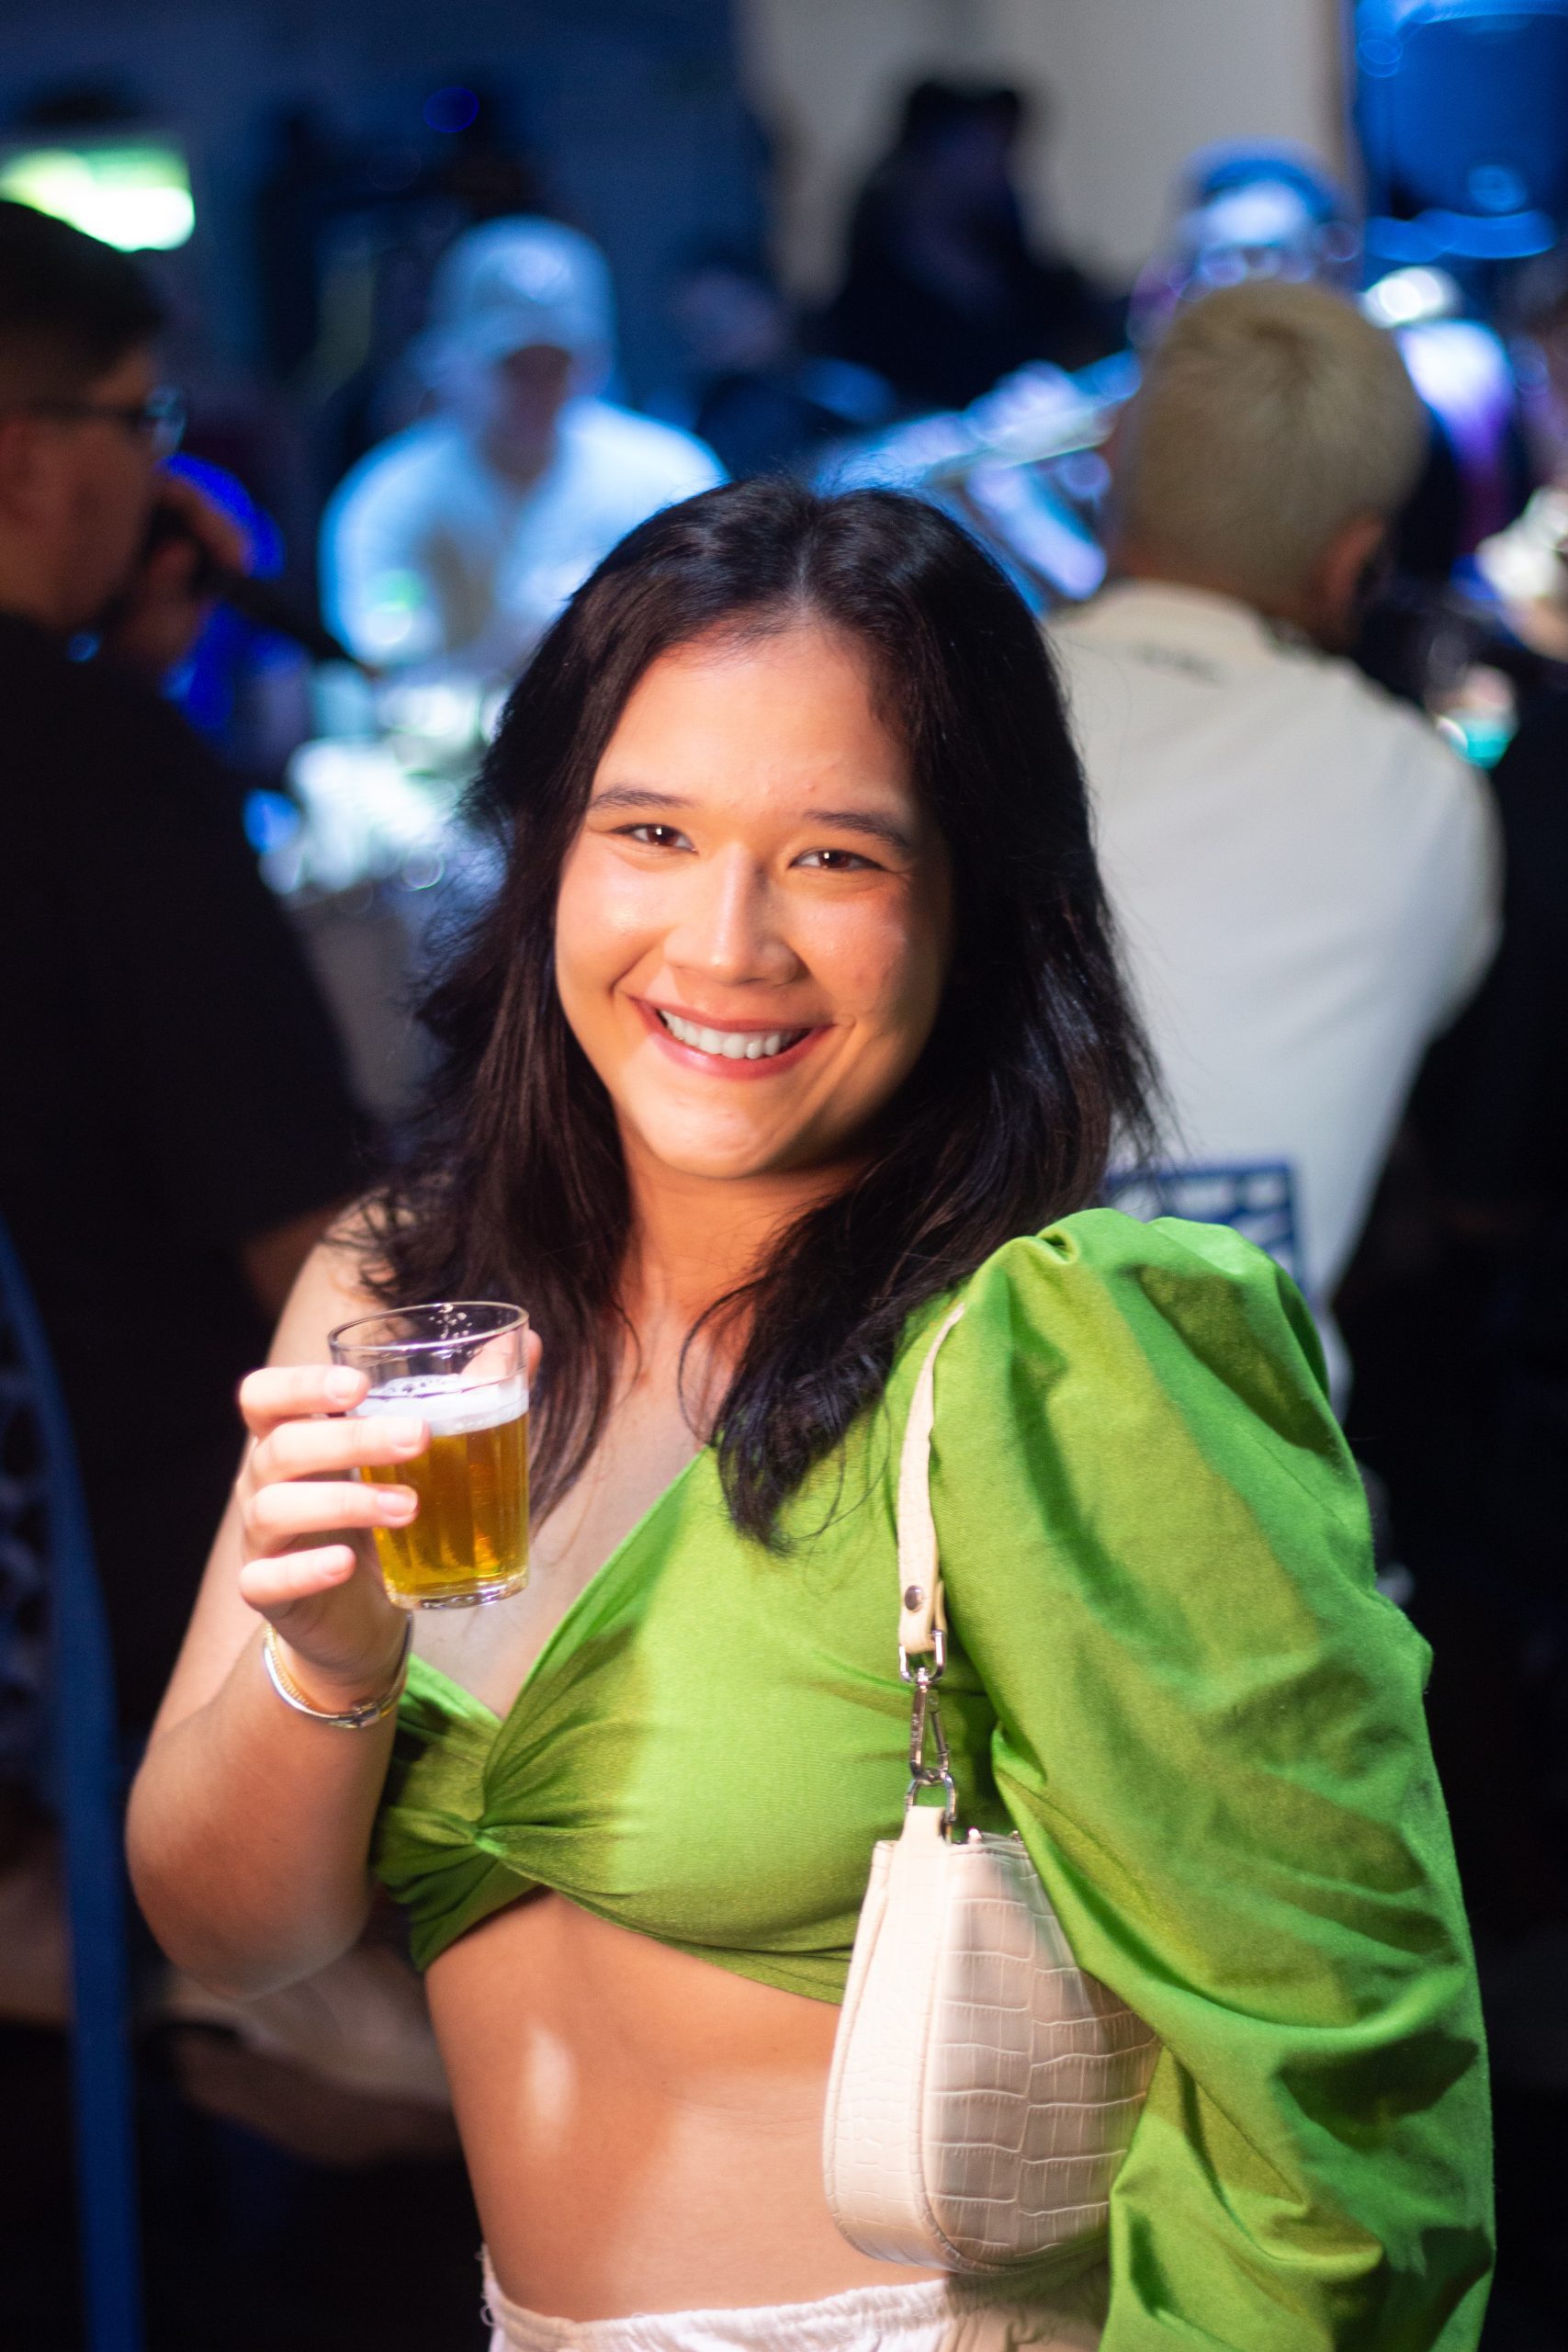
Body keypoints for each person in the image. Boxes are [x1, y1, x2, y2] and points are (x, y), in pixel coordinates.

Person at [130, 479, 1491, 2351]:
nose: (725, 943)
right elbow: (232, 1935)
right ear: (542, 850)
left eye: (836, 857)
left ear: (975, 908)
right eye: (651, 831)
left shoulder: (1060, 1350)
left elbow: (1339, 2104)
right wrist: (332, 1664)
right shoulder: (398, 1299)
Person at [0, 199, 369, 1733]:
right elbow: (309, 1247)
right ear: (26, 458)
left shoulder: (92, 747)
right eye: (139, 421)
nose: (162, 471)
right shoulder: (104, 773)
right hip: (135, 1571)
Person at [1052, 280, 1500, 1372]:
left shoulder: (937, 704)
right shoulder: (1426, 791)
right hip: (1257, 1450)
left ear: (1110, 458)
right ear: (1356, 561)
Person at [321, 216, 724, 685]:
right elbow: (384, 677)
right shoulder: (392, 497)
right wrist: (508, 656)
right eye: (514, 365)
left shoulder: (670, 474)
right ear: (457, 359)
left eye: (557, 363)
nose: (537, 387)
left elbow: (718, 645)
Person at [818, 80, 1117, 415]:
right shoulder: (871, 301)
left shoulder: (1016, 266)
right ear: (931, 153)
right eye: (980, 145)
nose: (1001, 161)